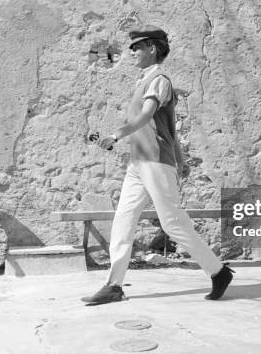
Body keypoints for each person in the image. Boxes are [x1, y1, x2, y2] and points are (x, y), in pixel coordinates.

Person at [82, 25, 234, 305]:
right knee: (123, 221)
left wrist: (115, 135)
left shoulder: (160, 80)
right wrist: (182, 159)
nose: (133, 53)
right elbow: (169, 128)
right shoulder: (144, 81)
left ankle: (218, 271)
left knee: (173, 223)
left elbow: (147, 116)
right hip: (138, 163)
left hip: (155, 162)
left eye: (137, 48)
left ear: (152, 49)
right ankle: (114, 285)